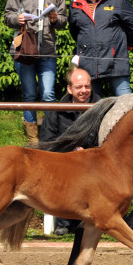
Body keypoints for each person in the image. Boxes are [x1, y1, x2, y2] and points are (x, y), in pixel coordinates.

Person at [4, 0, 67, 145]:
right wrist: (18, 19)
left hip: (47, 49)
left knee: (48, 94)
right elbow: (8, 16)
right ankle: (33, 138)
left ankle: (49, 134)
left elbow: (64, 21)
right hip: (24, 49)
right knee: (29, 94)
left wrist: (56, 19)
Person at [39, 67, 100, 235]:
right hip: (64, 161)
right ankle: (64, 222)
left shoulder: (102, 108)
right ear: (69, 89)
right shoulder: (56, 110)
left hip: (95, 161)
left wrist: (87, 153)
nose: (84, 91)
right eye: (79, 87)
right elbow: (46, 140)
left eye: (87, 86)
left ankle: (95, 219)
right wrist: (71, 152)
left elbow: (109, 140)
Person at [69, 0, 133, 98]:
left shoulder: (117, 0)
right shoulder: (76, 4)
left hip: (115, 61)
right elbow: (75, 31)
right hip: (88, 61)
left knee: (125, 103)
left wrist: (127, 45)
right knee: (92, 108)